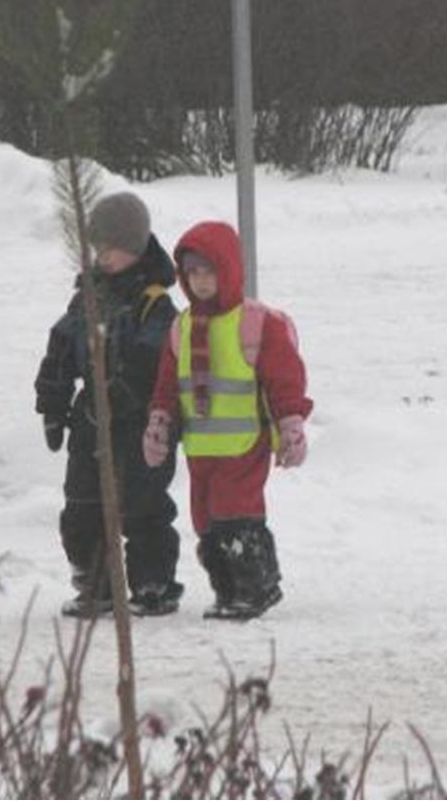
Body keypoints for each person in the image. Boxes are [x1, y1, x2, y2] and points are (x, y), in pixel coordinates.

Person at [143, 221, 312, 621]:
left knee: (237, 515)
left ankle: (256, 586)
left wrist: (290, 423)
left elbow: (283, 378)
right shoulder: (181, 328)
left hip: (244, 444)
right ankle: (228, 589)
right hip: (200, 447)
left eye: (209, 271)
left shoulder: (256, 323)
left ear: (230, 269)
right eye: (192, 273)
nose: (200, 282)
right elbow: (167, 384)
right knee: (207, 521)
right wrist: (160, 422)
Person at [35, 192, 184, 618]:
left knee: (143, 505)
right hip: (89, 419)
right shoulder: (87, 298)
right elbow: (61, 349)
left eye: (112, 249)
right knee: (82, 504)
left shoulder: (153, 303)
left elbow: (154, 358)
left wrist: (119, 397)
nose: (103, 257)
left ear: (135, 248)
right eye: (97, 248)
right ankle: (94, 582)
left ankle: (153, 584)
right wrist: (53, 404)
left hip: (139, 420)